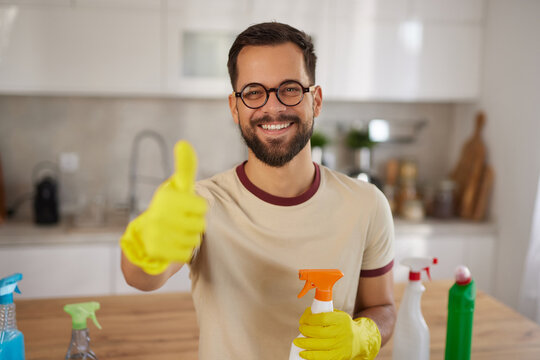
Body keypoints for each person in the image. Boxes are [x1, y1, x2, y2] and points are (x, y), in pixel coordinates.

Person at [120, 22, 396, 360]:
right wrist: (149, 243)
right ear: (235, 108)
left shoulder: (366, 205)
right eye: (253, 92)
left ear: (317, 100)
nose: (273, 107)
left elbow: (382, 306)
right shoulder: (200, 205)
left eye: (290, 88)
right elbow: (142, 278)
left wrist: (364, 334)